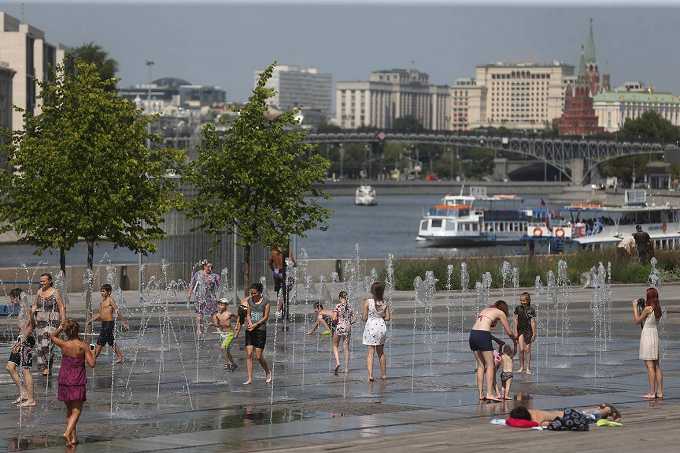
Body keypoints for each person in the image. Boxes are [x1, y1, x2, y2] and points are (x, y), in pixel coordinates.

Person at [51, 319, 96, 447]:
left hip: (64, 379)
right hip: (77, 381)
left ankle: (73, 438)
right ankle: (67, 432)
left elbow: (52, 336)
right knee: (77, 411)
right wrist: (92, 354)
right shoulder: (83, 346)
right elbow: (92, 364)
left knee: (69, 411)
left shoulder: (64, 344)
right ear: (78, 330)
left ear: (67, 331)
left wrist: (61, 327)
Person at [469, 300, 515, 402]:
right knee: (490, 365)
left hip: (473, 334)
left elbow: (480, 328)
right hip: (482, 335)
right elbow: (509, 331)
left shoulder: (485, 309)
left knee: (481, 365)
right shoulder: (500, 313)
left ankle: (481, 394)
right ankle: (489, 393)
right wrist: (514, 341)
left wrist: (496, 340)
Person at [6, 289, 37, 407]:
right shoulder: (22, 308)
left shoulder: (26, 308)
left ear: (16, 297)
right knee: (10, 367)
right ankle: (23, 392)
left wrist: (22, 341)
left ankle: (31, 399)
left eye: (11, 298)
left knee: (25, 369)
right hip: (21, 340)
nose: (11, 301)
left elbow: (32, 325)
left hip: (27, 340)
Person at [33, 273, 66, 376]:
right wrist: (30, 313)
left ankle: (47, 368)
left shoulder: (55, 292)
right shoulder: (39, 292)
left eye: (44, 281)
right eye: (41, 281)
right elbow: (35, 305)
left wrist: (63, 320)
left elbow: (61, 306)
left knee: (47, 344)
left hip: (52, 322)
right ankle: (46, 368)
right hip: (40, 322)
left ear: (50, 281)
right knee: (41, 346)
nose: (42, 283)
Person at [633, 287, 663, 399]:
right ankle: (659, 392)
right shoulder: (658, 308)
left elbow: (637, 321)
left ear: (649, 297)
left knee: (649, 365)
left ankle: (651, 393)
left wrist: (635, 307)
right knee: (657, 365)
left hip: (647, 335)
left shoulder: (647, 309)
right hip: (654, 334)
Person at [87, 284, 129, 364]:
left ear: (109, 292)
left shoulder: (110, 300)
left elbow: (117, 311)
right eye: (101, 291)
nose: (102, 293)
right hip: (104, 323)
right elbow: (99, 314)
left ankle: (93, 358)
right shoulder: (102, 301)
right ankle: (120, 357)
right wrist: (91, 320)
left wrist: (124, 322)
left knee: (100, 340)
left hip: (109, 323)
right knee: (111, 341)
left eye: (103, 291)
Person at [509, 403, 621, 430]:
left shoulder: (537, 420)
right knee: (582, 414)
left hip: (568, 418)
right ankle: (601, 407)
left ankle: (607, 410)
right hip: (564, 413)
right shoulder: (531, 411)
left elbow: (548, 424)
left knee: (589, 418)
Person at [242, 283, 271, 385]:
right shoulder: (250, 301)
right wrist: (250, 323)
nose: (253, 295)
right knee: (249, 354)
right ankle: (249, 378)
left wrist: (256, 325)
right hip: (250, 329)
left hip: (260, 330)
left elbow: (266, 317)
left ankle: (267, 371)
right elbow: (248, 314)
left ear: (259, 291)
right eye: (251, 293)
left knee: (258, 356)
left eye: (254, 293)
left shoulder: (266, 301)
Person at [362, 282, 390, 382]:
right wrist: (379, 316)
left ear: (371, 291)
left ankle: (370, 375)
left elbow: (364, 317)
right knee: (381, 352)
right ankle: (383, 374)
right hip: (381, 326)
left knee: (370, 352)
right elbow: (387, 318)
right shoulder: (385, 303)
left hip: (371, 326)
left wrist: (368, 316)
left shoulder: (368, 302)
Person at [187, 260, 220, 338]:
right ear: (204, 266)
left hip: (211, 296)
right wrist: (189, 292)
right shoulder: (198, 274)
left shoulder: (214, 276)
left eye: (211, 267)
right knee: (200, 313)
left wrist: (219, 281)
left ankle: (217, 328)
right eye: (208, 266)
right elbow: (192, 283)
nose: (210, 268)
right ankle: (198, 329)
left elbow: (220, 286)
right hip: (200, 296)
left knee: (214, 312)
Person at [268, 246, 297, 318]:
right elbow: (292, 263)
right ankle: (279, 310)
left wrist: (274, 270)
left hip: (277, 271)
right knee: (286, 289)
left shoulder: (273, 251)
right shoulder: (286, 251)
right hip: (283, 271)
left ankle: (280, 307)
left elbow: (270, 263)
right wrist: (295, 266)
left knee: (279, 291)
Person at [332, 291, 355, 375]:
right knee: (346, 348)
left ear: (339, 298)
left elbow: (334, 318)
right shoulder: (350, 306)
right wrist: (348, 323)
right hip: (347, 328)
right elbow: (354, 319)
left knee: (335, 345)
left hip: (339, 327)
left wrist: (335, 323)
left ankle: (338, 362)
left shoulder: (337, 306)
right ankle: (346, 368)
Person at [212, 298, 238, 371]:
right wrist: (213, 324)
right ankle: (233, 364)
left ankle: (227, 363)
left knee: (223, 348)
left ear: (226, 306)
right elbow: (218, 325)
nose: (220, 306)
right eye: (219, 305)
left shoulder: (229, 313)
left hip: (229, 334)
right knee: (227, 351)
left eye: (222, 305)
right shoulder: (217, 315)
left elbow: (238, 317)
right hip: (222, 334)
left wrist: (237, 325)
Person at [513, 292, 536, 374]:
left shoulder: (531, 310)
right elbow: (515, 320)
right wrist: (515, 331)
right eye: (521, 300)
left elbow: (532, 322)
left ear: (528, 300)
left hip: (528, 330)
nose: (521, 302)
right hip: (520, 330)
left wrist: (534, 333)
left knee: (527, 349)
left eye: (523, 301)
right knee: (521, 349)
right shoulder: (518, 308)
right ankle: (521, 366)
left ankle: (527, 368)